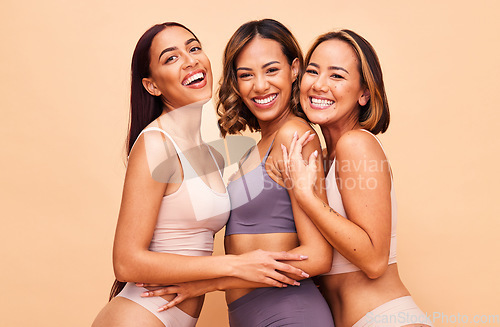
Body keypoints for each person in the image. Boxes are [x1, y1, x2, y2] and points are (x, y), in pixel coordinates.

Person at [91, 22, 310, 327]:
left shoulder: (205, 152)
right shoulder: (156, 144)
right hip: (141, 316)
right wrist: (235, 266)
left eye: (194, 48)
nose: (190, 59)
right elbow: (126, 262)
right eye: (171, 58)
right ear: (152, 85)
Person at [140, 19, 335, 327]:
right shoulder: (255, 148)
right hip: (248, 315)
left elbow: (318, 255)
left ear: (294, 69)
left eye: (271, 70)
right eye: (246, 75)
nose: (260, 86)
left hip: (289, 313)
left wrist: (213, 282)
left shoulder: (295, 137)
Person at [281, 29, 433, 327]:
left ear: (364, 93)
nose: (319, 85)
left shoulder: (356, 144)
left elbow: (375, 261)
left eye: (337, 76)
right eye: (313, 71)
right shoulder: (322, 158)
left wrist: (306, 198)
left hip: (386, 318)